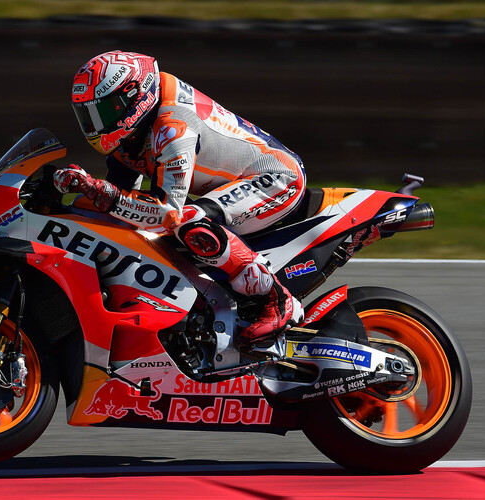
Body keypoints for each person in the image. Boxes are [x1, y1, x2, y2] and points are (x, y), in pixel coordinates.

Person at [53, 50, 305, 346]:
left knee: (189, 221)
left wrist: (99, 192)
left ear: (134, 96)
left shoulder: (173, 126)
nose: (95, 125)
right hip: (228, 184)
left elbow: (165, 212)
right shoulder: (133, 127)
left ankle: (275, 300)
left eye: (104, 111)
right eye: (88, 115)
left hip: (276, 178)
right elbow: (115, 203)